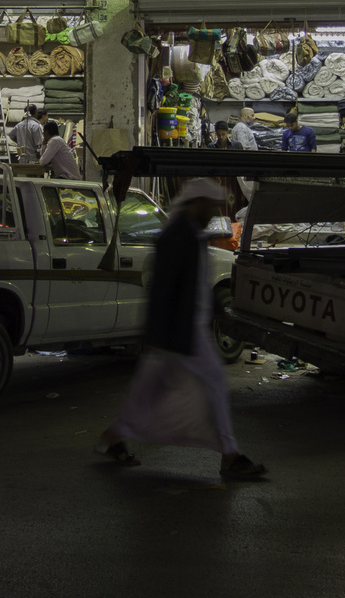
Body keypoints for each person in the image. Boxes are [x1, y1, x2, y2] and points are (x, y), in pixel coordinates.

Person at [98, 178, 265, 480]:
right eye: (210, 205)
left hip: (184, 330)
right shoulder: (176, 237)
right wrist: (157, 336)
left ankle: (113, 436)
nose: (212, 211)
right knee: (212, 383)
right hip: (179, 331)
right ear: (196, 204)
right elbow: (163, 290)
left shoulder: (190, 234)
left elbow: (195, 283)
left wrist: (215, 311)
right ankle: (229, 455)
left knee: (149, 391)